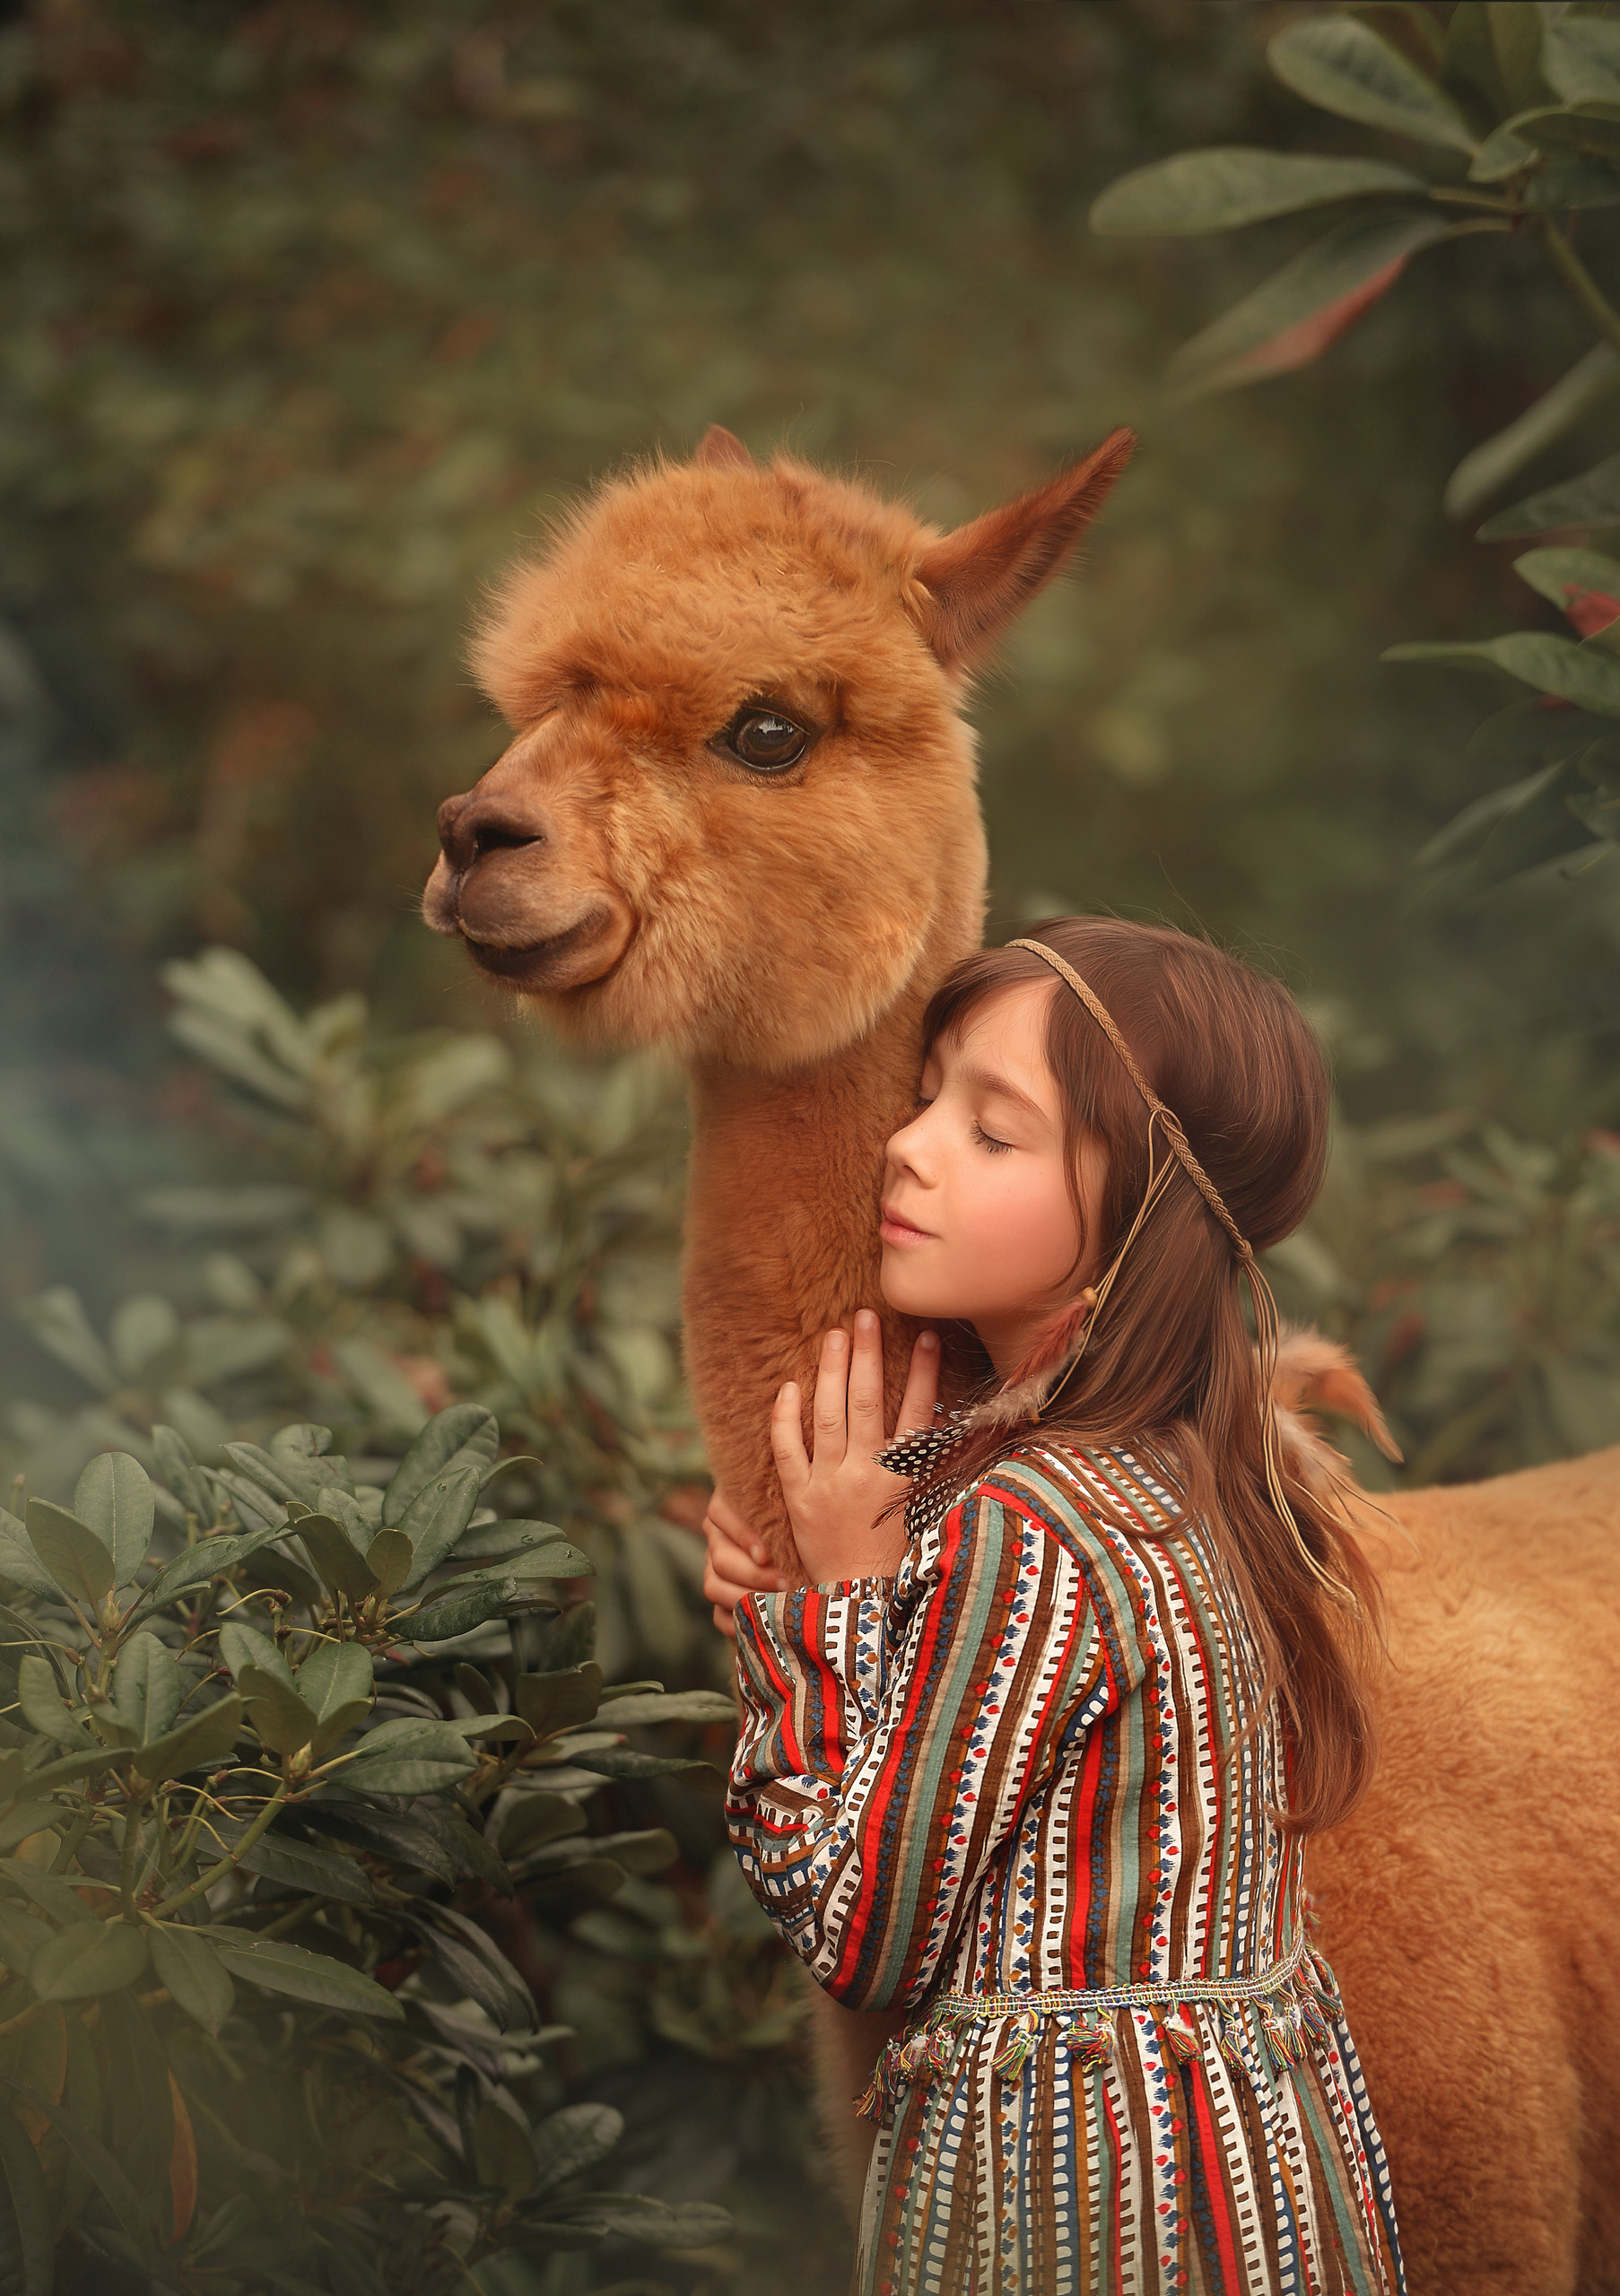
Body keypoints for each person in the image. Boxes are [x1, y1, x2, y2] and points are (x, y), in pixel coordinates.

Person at [702, 918, 1407, 2296]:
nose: (907, 1148)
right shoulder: (1195, 1471)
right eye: (924, 1099)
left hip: (1076, 2198)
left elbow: (861, 1935)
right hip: (1245, 2179)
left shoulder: (1024, 1534)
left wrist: (820, 1621)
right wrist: (849, 1567)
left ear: (1138, 1213)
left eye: (993, 1133)